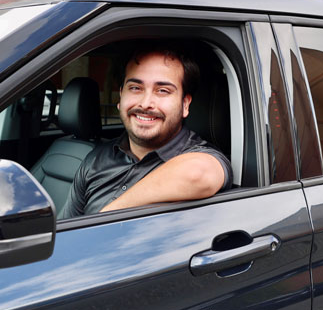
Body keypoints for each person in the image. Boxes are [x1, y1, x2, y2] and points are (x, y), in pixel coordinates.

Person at [59, 43, 232, 219]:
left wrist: (103, 220)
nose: (145, 103)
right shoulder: (95, 159)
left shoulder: (201, 155)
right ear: (121, 96)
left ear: (185, 104)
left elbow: (198, 174)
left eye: (163, 91)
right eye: (135, 88)